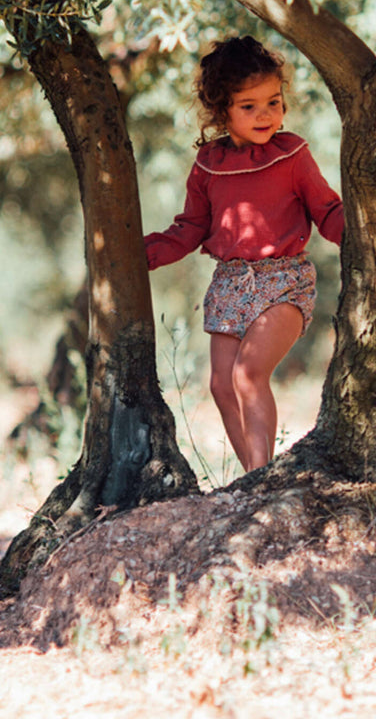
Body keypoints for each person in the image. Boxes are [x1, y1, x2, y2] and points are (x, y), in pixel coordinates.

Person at [145, 36, 344, 472]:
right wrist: (144, 253)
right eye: (249, 106)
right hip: (230, 284)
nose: (265, 114)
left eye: (273, 101)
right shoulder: (208, 164)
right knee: (220, 385)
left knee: (247, 375)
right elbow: (192, 227)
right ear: (222, 111)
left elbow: (327, 210)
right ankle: (256, 477)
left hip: (283, 279)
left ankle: (261, 481)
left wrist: (360, 236)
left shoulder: (292, 154)